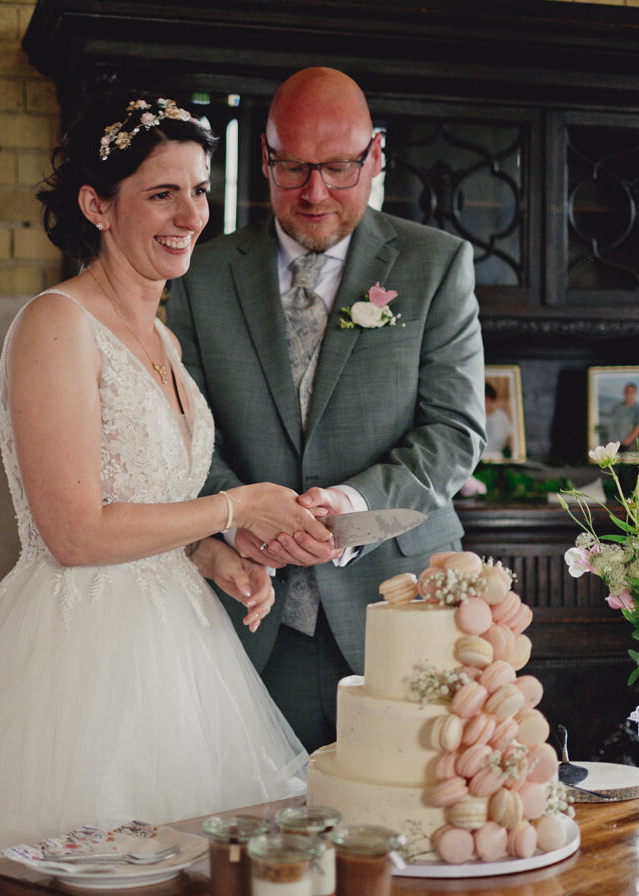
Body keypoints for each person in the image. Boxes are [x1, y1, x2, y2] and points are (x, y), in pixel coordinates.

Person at [0, 91, 335, 896]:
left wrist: (215, 558)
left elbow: (142, 506)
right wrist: (232, 504)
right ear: (98, 207)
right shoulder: (54, 326)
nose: (191, 217)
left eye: (198, 192)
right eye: (160, 195)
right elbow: (71, 532)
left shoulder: (163, 337)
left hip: (181, 657)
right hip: (82, 668)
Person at [168, 66, 487, 758]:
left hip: (401, 608)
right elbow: (186, 434)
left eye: (339, 168)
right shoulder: (198, 276)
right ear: (264, 158)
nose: (315, 193)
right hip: (250, 615)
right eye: (293, 168)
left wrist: (345, 505)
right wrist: (246, 518)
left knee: (406, 835)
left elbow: (454, 432)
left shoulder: (437, 264)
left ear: (375, 156)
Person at [609, 381, 639, 452]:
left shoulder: (637, 409)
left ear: (635, 393)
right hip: (614, 444)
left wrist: (626, 443)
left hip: (629, 445)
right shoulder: (617, 407)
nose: (629, 393)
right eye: (627, 391)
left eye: (631, 391)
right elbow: (612, 424)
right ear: (624, 392)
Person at [484, 381, 514, 457]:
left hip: (498, 458)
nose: (486, 403)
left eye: (488, 399)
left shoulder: (501, 415)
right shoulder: (477, 416)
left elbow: (510, 436)